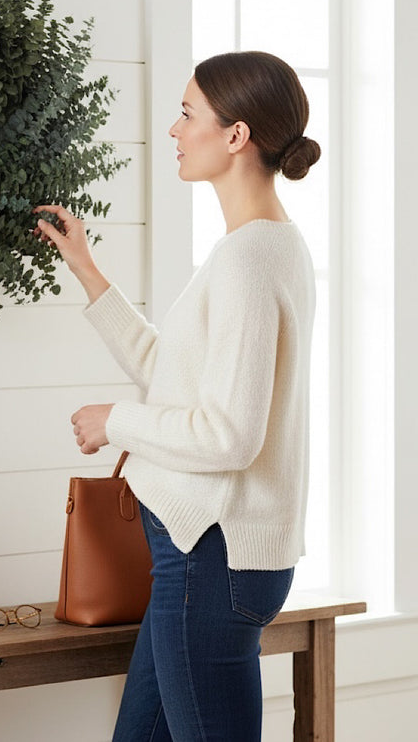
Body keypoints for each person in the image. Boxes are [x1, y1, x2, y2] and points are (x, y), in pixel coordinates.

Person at [34, 50, 320, 741]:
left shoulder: (248, 259)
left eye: (188, 114)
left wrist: (116, 422)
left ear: (236, 135)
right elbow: (173, 371)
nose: (174, 129)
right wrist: (87, 270)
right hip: (205, 560)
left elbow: (230, 435)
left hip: (211, 560)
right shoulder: (264, 247)